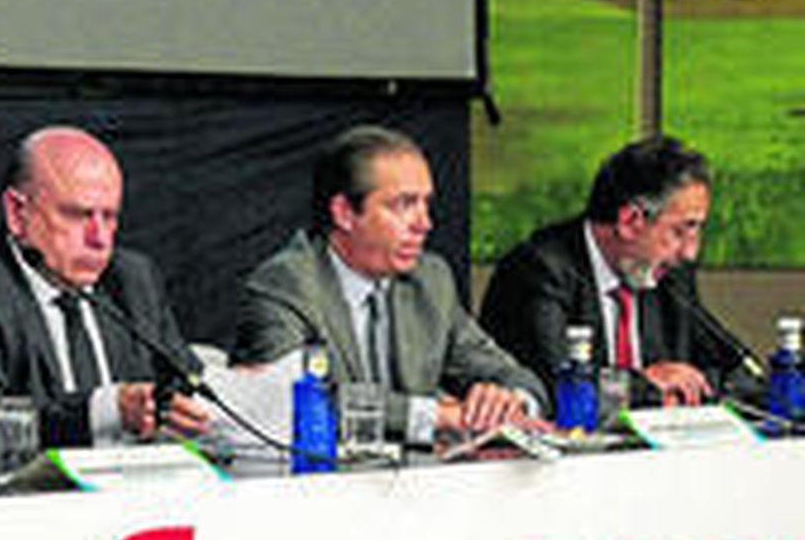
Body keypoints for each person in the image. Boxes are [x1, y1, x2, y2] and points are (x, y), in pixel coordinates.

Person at [232, 125, 544, 444]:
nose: (425, 223)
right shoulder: (286, 285)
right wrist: (438, 416)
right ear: (344, 213)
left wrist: (510, 402)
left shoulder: (430, 279)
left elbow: (512, 375)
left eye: (426, 203)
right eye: (404, 205)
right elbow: (290, 403)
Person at [0, 126, 209, 449]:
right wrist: (106, 411)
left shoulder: (132, 278)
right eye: (77, 215)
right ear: (17, 213)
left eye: (109, 217)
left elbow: (183, 379)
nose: (100, 239)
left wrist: (182, 409)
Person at [480, 135, 762, 408]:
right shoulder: (538, 270)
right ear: (629, 221)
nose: (690, 252)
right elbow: (558, 386)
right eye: (681, 231)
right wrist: (644, 387)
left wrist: (698, 384)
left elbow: (735, 370)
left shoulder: (667, 275)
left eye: (697, 230)